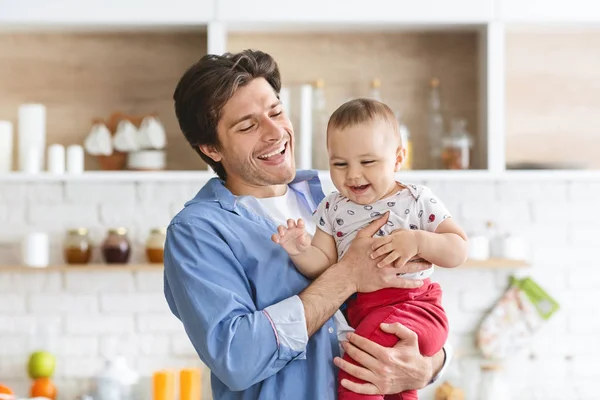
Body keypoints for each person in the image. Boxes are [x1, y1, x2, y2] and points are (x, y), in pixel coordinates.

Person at [163, 49, 452, 400]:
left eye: (276, 112)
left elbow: (408, 300)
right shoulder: (198, 232)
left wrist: (430, 365)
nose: (275, 132)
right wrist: (346, 275)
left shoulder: (336, 194)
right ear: (211, 149)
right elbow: (237, 358)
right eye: (248, 125)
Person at [272, 98, 469, 400]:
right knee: (391, 384)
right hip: (363, 313)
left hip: (416, 307)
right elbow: (324, 265)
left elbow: (458, 250)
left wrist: (419, 241)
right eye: (340, 164)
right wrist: (299, 250)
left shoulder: (416, 200)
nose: (353, 175)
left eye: (367, 162)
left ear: (398, 158)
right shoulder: (332, 208)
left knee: (360, 360)